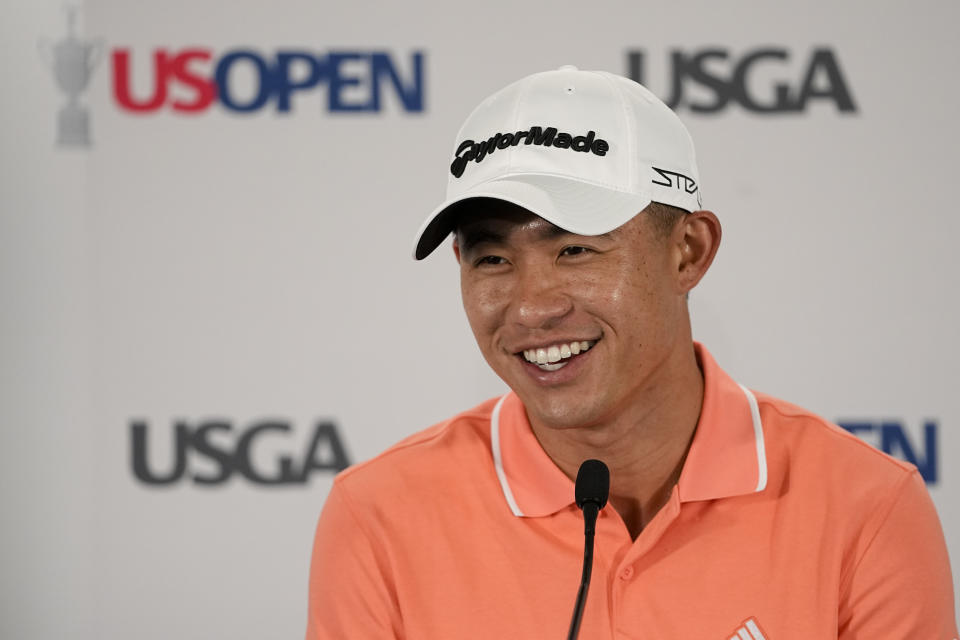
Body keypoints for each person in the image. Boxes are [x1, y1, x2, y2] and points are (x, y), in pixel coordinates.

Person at [306, 66, 957, 639]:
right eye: (493, 258)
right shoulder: (379, 515)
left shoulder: (866, 506)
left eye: (576, 249)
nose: (531, 307)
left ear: (688, 251)